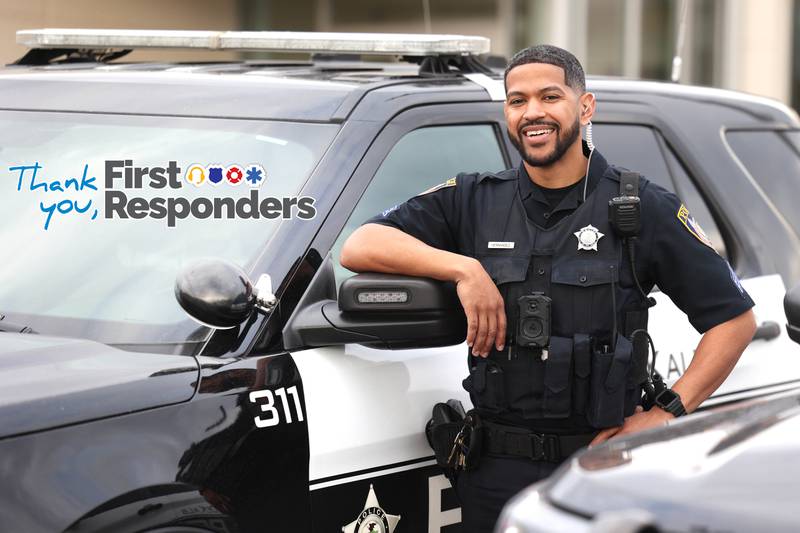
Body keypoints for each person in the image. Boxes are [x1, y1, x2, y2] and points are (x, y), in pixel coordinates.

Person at [340, 44, 756, 532]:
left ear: (585, 106)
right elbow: (361, 244)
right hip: (495, 470)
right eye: (517, 101)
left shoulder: (640, 206)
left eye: (549, 96)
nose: (532, 112)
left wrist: (665, 413)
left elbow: (734, 319)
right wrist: (463, 270)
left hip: (602, 465)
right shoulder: (473, 198)